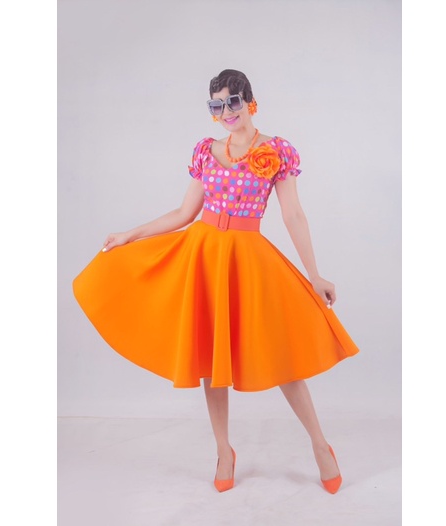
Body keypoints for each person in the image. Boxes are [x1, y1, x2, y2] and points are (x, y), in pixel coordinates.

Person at [73, 69, 359, 494]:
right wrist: (130, 235)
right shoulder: (206, 151)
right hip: (204, 255)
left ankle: (320, 445)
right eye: (217, 105)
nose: (226, 112)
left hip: (248, 258)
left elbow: (293, 214)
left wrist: (314, 274)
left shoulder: (277, 151)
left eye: (233, 102)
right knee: (210, 359)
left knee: (281, 353)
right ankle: (224, 450)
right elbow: (183, 213)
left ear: (250, 101)